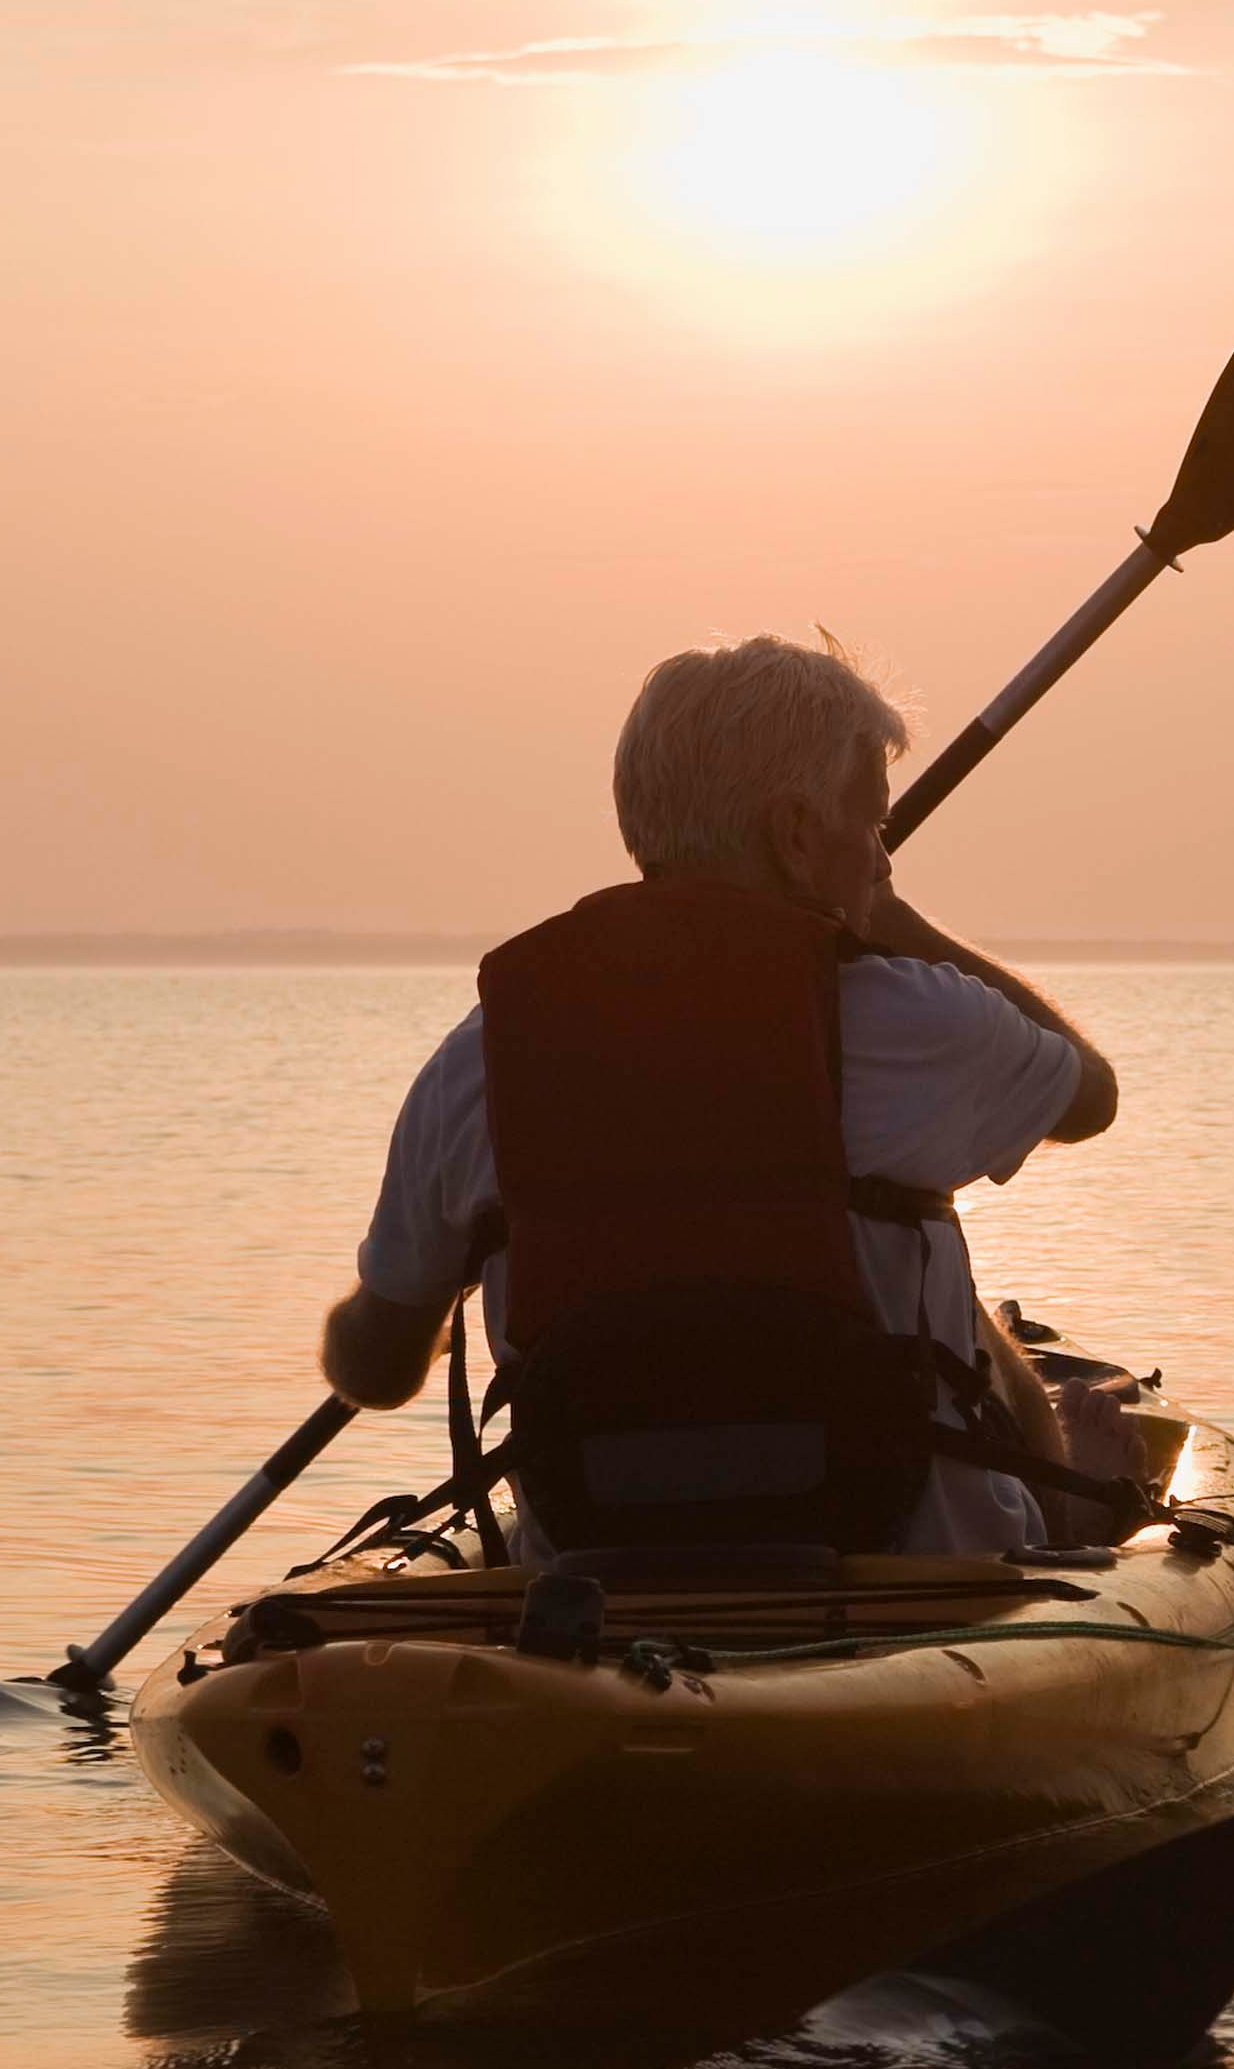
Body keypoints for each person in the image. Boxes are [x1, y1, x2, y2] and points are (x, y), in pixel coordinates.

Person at [320, 633, 1134, 1559]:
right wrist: (896, 924)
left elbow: (377, 1370)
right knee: (937, 1275)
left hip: (593, 1584)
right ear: (796, 835)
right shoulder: (925, 1025)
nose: (881, 858)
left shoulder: (478, 1062)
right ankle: (1071, 1509)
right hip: (910, 1582)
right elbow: (1090, 1095)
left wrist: (419, 1294)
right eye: (872, 825)